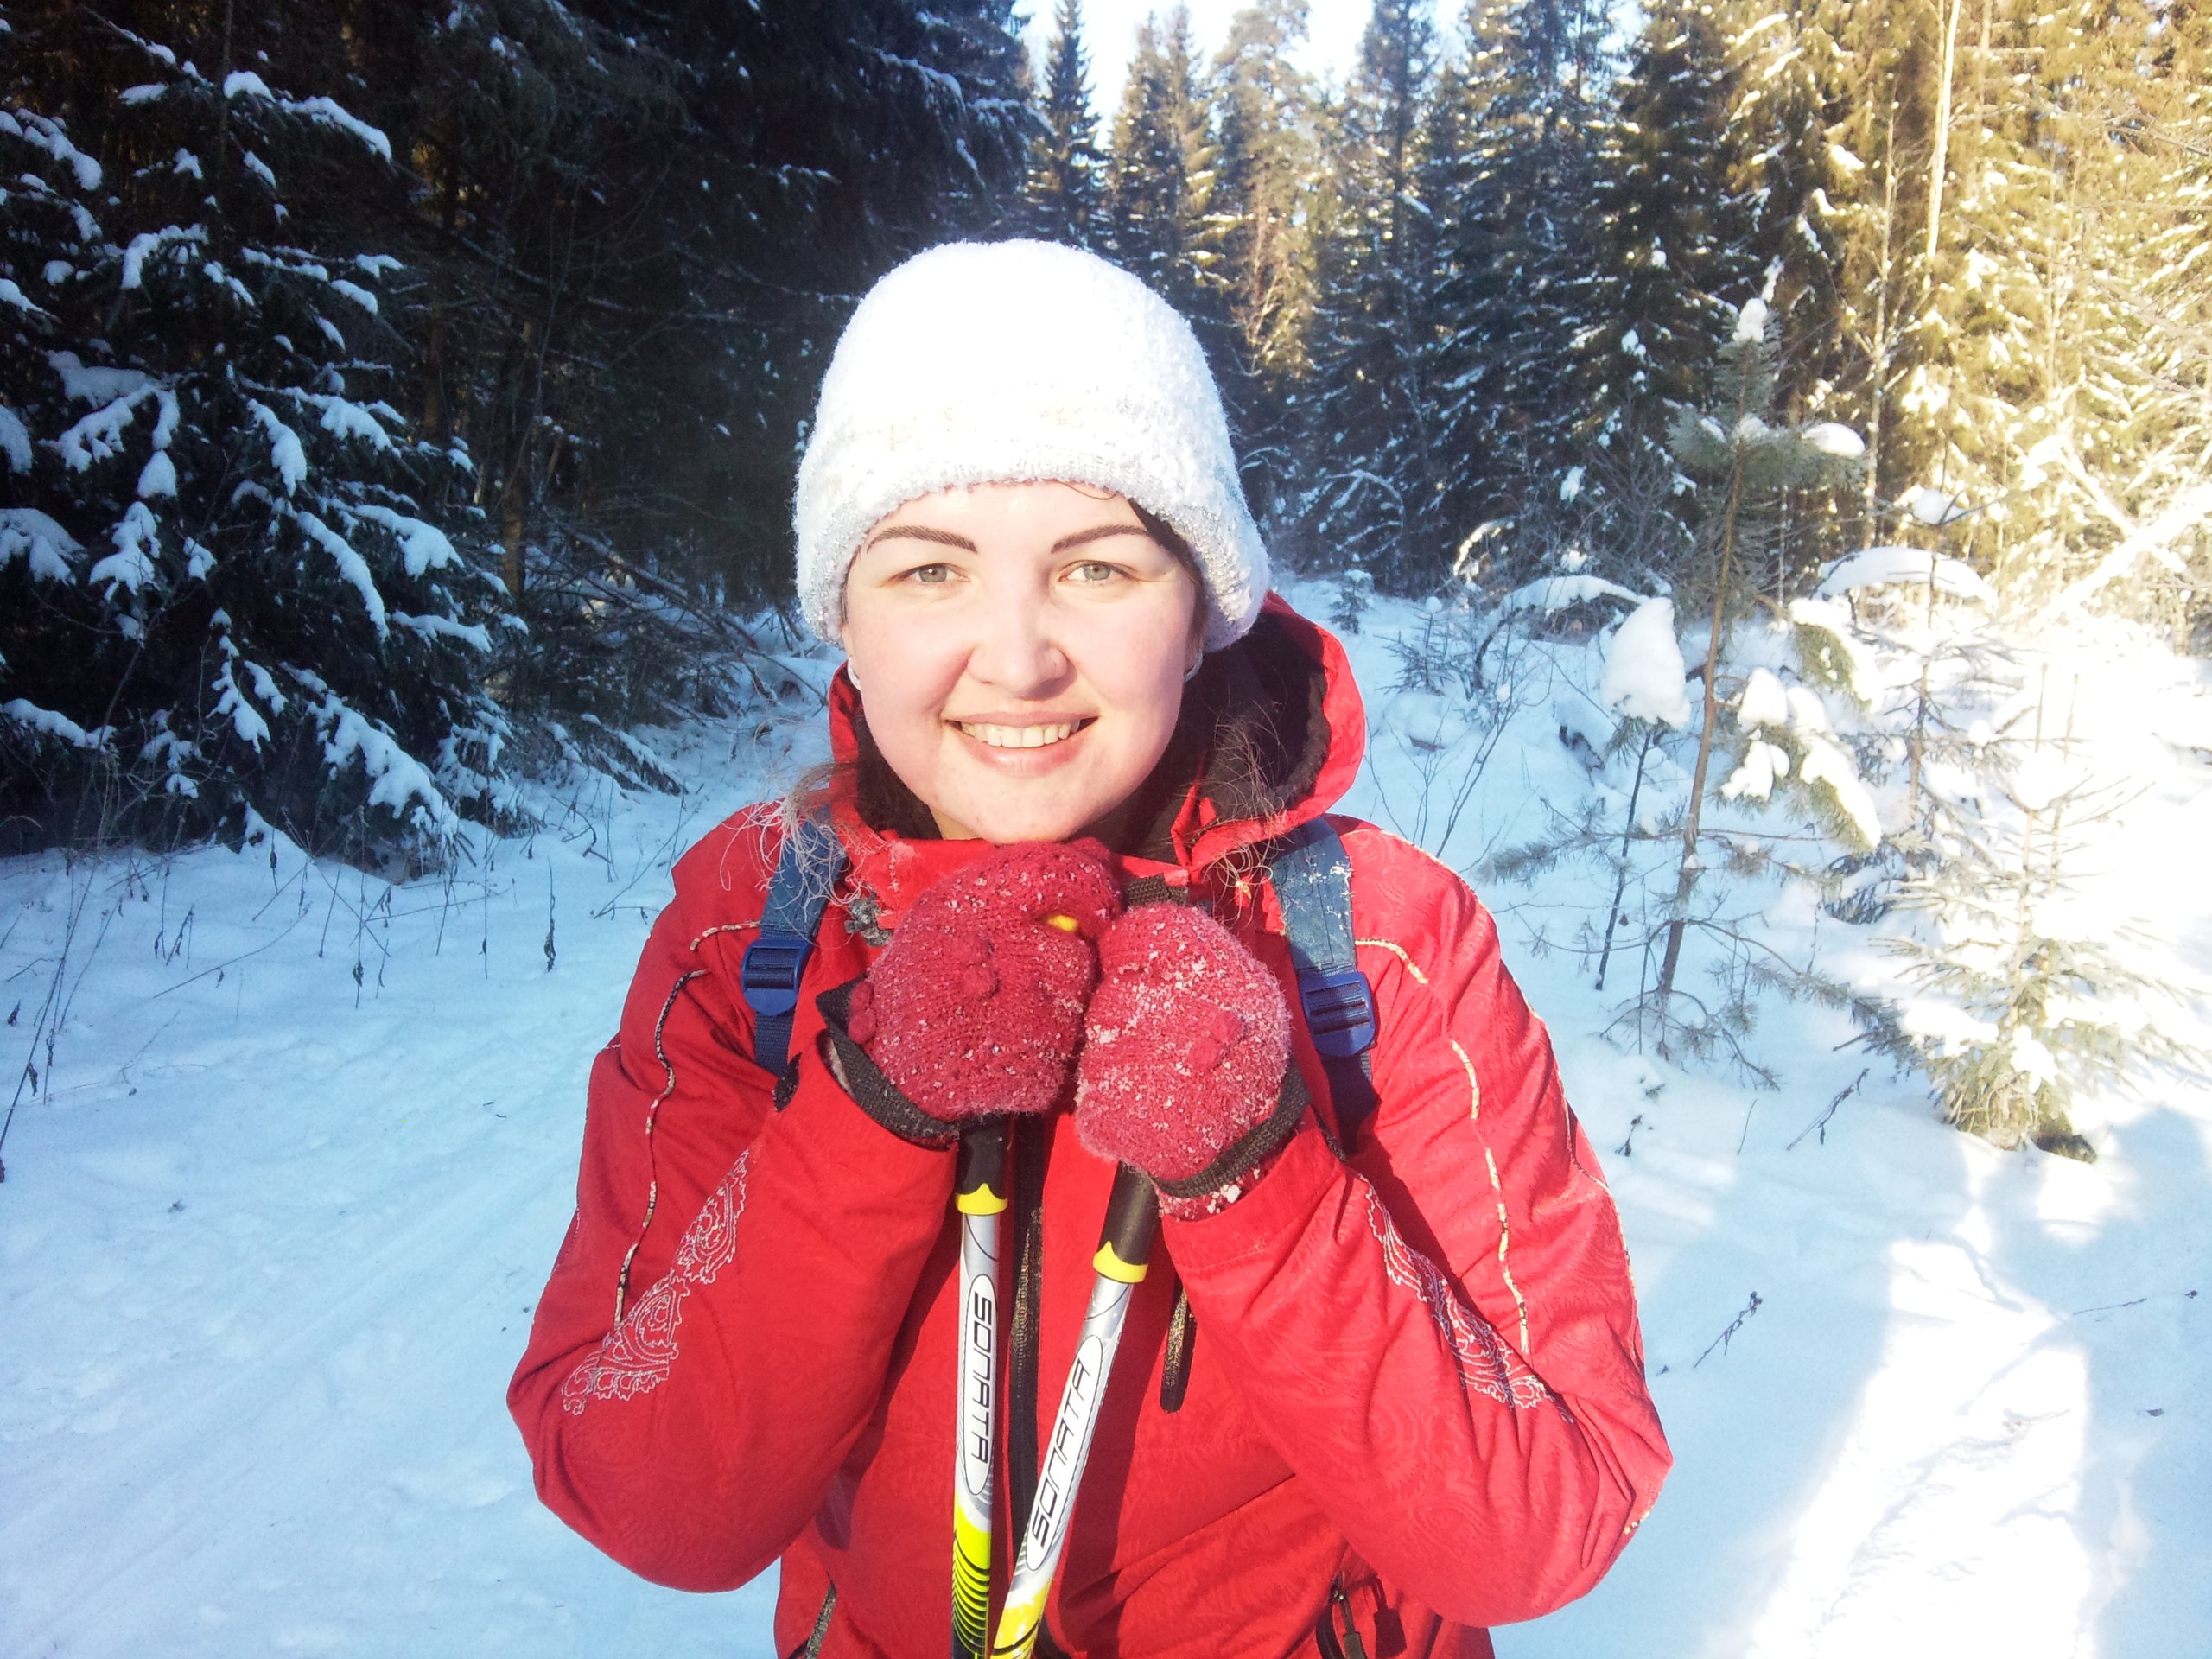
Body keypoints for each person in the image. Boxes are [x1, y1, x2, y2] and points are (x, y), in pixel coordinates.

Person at [508, 240, 1669, 1659]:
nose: (1016, 658)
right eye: (929, 569)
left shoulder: (1377, 945)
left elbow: (1546, 1518)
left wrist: (1259, 1174)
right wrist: (870, 1114)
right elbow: (648, 1499)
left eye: (1098, 567)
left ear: (1202, 612)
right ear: (845, 618)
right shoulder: (756, 928)